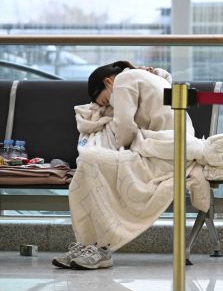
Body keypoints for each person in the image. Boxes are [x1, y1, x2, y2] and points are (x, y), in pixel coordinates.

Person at [52, 60, 198, 270]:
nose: (107, 106)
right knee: (92, 164)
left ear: (108, 82)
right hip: (171, 148)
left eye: (104, 100)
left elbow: (125, 126)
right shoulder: (146, 77)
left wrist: (118, 147)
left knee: (90, 161)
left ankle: (100, 247)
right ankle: (89, 245)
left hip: (162, 152)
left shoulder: (124, 81)